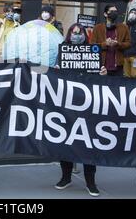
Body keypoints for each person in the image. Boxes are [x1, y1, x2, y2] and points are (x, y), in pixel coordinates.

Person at [54, 23, 106, 197]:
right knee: (65, 140)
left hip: (87, 104)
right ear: (69, 35)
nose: (77, 36)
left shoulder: (93, 52)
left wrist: (102, 73)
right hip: (67, 104)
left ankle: (90, 181)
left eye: (80, 33)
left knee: (88, 143)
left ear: (85, 35)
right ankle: (65, 177)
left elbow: (97, 77)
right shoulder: (62, 51)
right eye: (74, 33)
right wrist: (56, 71)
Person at [91, 4, 131, 76]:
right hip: (102, 66)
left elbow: (128, 44)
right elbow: (92, 46)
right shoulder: (97, 28)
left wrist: (118, 44)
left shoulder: (123, 27)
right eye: (111, 11)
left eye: (115, 11)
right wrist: (105, 44)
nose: (114, 13)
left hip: (118, 66)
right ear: (105, 14)